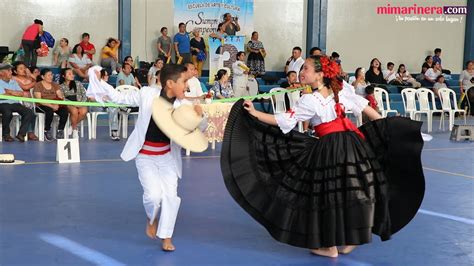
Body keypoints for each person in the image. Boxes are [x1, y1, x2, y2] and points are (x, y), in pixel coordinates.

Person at [221, 55, 426, 258]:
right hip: (352, 145)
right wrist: (387, 126)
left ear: (319, 75)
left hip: (330, 149)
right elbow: (365, 108)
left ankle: (330, 247)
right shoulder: (340, 92)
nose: (302, 72)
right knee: (351, 191)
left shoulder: (310, 99)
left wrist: (255, 114)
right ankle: (351, 238)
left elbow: (284, 120)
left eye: (306, 69)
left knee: (327, 196)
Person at [86, 63, 207, 252]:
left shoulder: (184, 105)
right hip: (145, 156)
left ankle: (166, 236)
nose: (187, 86)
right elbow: (119, 97)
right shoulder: (146, 94)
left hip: (168, 156)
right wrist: (99, 81)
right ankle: (152, 217)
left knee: (171, 197)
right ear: (169, 83)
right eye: (184, 81)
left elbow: (200, 129)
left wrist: (200, 117)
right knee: (153, 196)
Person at [0, 63, 36, 142]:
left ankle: (21, 134)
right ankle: (6, 134)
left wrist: (9, 91)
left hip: (15, 104)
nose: (11, 72)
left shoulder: (14, 82)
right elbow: (2, 96)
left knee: (29, 112)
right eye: (8, 71)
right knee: (7, 112)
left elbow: (21, 93)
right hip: (2, 104)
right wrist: (13, 93)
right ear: (1, 73)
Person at [86, 67, 121, 141]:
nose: (107, 77)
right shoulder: (92, 84)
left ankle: (114, 131)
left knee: (113, 107)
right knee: (112, 105)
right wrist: (101, 99)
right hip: (96, 106)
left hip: (107, 105)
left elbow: (113, 96)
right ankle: (123, 108)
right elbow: (90, 98)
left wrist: (106, 98)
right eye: (105, 75)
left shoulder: (107, 86)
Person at [33, 68, 68, 141]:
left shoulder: (55, 85)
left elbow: (59, 95)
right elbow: (39, 100)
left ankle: (60, 130)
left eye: (51, 75)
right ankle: (47, 130)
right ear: (43, 77)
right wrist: (51, 106)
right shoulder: (38, 85)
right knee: (49, 111)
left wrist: (58, 101)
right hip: (42, 105)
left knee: (64, 111)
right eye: (48, 75)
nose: (51, 77)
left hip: (55, 103)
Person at [59, 68, 88, 138]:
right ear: (64, 76)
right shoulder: (61, 86)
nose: (72, 75)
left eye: (72, 73)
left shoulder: (78, 83)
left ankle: (72, 126)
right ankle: (75, 130)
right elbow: (62, 98)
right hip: (69, 104)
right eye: (69, 74)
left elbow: (84, 94)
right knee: (74, 111)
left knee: (83, 111)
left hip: (80, 103)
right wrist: (73, 104)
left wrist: (81, 103)